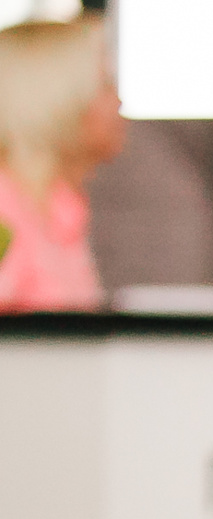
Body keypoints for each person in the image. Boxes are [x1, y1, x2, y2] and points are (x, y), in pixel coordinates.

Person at [0, 13, 123, 313]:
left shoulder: (59, 209)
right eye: (105, 85)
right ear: (59, 99)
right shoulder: (5, 213)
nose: (118, 101)